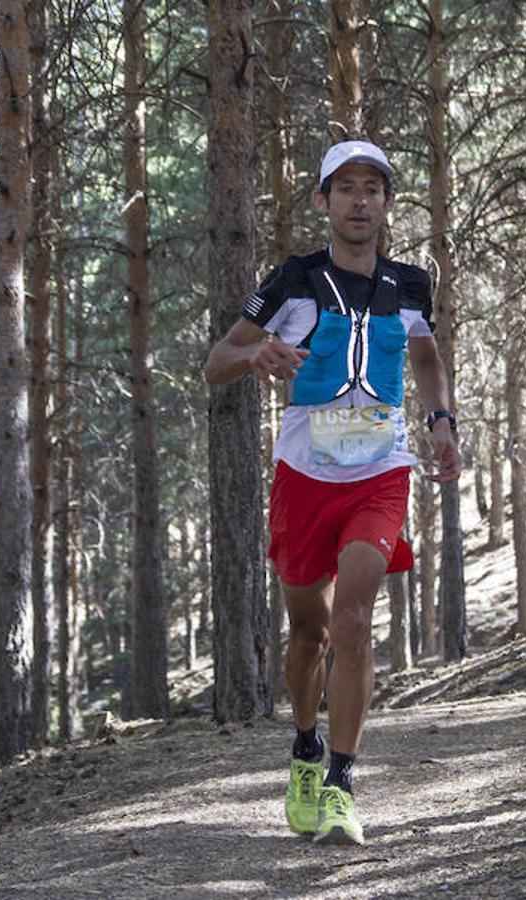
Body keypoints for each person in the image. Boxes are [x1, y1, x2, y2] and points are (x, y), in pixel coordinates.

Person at [203, 140, 461, 845]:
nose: (358, 200)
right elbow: (216, 362)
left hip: (380, 473)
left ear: (386, 202)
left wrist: (441, 421)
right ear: (322, 201)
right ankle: (307, 748)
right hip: (304, 478)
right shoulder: (291, 279)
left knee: (352, 621)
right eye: (344, 188)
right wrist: (255, 352)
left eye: (371, 188)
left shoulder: (409, 284)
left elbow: (428, 355)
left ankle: (344, 784)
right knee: (310, 631)